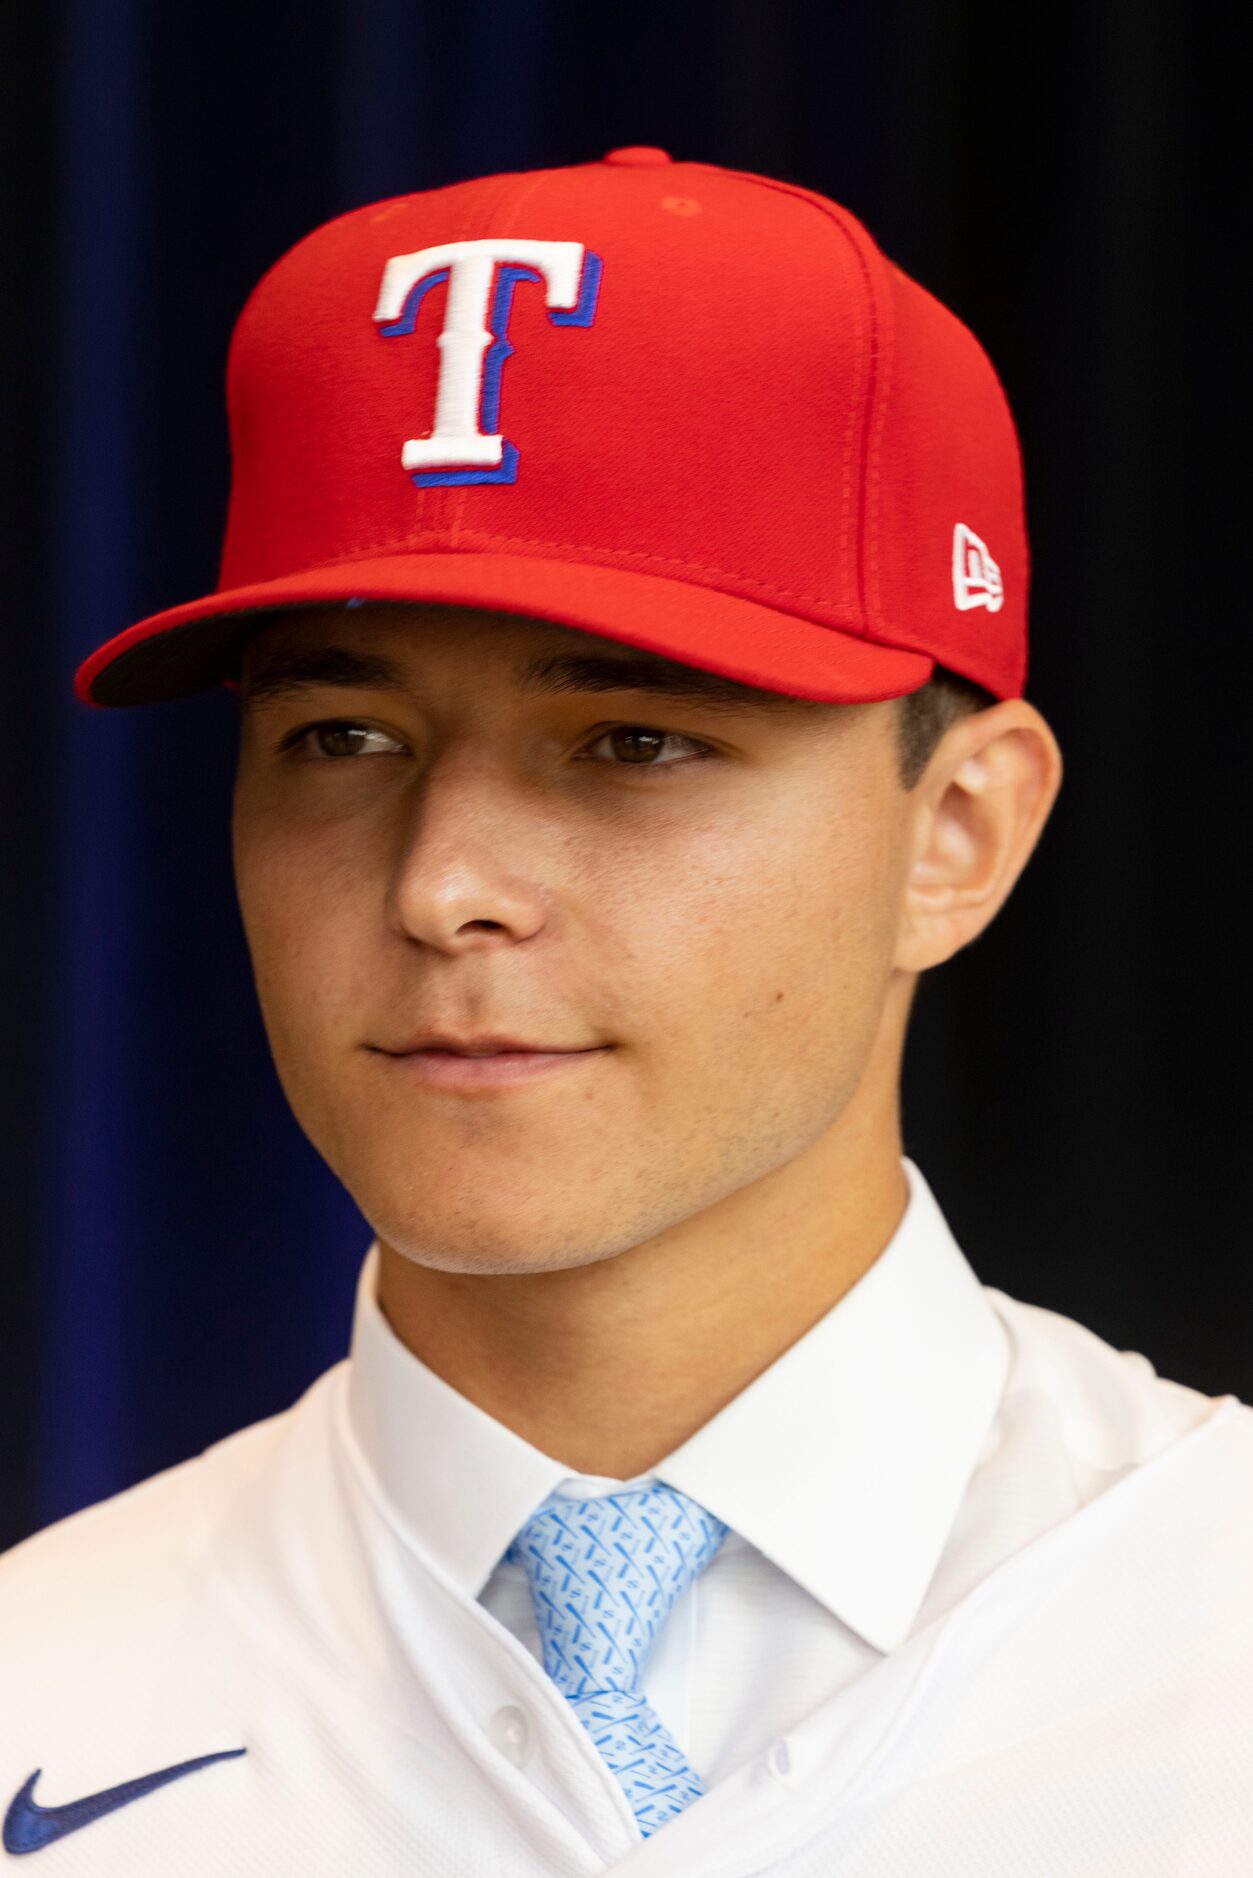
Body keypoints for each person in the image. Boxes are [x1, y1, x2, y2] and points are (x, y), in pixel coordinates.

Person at [2, 147, 1250, 1876]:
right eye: (341, 740)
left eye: (633, 740)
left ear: (954, 835)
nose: (441, 886)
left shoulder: (1212, 1623)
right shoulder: (35, 1680)